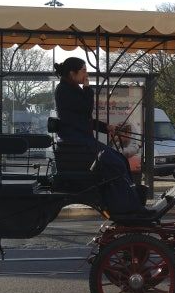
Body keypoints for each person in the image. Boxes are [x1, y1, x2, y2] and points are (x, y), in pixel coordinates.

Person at [54, 58, 150, 219]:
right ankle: (126, 207)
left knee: (121, 159)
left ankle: (131, 203)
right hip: (78, 143)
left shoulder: (70, 89)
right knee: (117, 164)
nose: (86, 75)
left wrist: (106, 127)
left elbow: (83, 119)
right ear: (72, 73)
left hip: (81, 141)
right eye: (83, 71)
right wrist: (87, 89)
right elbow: (86, 109)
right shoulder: (64, 90)